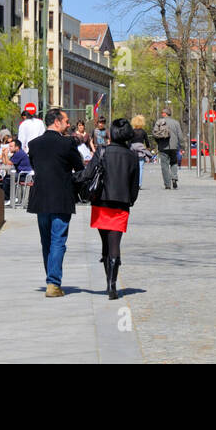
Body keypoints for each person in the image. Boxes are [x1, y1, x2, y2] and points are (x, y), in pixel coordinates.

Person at [80, 118, 141, 299]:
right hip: (121, 203)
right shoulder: (132, 156)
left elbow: (88, 174)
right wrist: (130, 200)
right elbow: (134, 184)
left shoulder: (102, 151)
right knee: (115, 242)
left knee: (105, 242)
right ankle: (112, 285)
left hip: (102, 201)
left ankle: (109, 279)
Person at [27, 107, 84, 298]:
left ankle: (51, 280)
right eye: (67, 121)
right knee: (58, 240)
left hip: (40, 198)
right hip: (61, 197)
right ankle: (53, 283)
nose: (69, 125)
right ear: (57, 122)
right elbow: (79, 167)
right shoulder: (67, 143)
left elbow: (35, 166)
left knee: (47, 242)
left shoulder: (34, 144)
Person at [153, 108, 183, 189]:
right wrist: (181, 145)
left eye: (162, 112)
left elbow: (154, 134)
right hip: (174, 147)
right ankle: (174, 178)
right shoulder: (176, 122)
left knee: (164, 165)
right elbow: (180, 135)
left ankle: (167, 184)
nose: (161, 114)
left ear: (165, 114)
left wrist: (158, 143)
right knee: (174, 162)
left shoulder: (159, 122)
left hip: (163, 146)